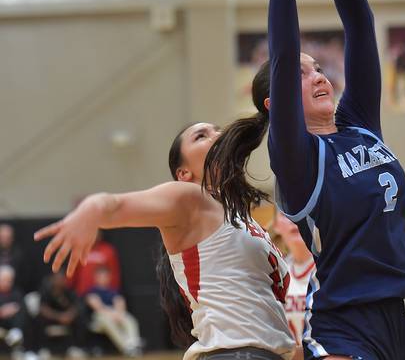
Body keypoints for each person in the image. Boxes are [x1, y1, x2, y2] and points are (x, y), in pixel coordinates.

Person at [205, 0, 405, 360]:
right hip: (346, 324)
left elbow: (359, 22)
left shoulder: (359, 128)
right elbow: (283, 55)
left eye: (318, 68)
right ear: (277, 102)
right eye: (304, 75)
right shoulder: (298, 157)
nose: (318, 75)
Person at [34, 122, 296, 360]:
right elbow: (115, 205)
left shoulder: (242, 218)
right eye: (201, 136)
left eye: (217, 129)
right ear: (184, 174)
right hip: (234, 354)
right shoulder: (190, 198)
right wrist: (91, 209)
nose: (216, 135)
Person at [271, 212, 315, 356]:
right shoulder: (273, 272)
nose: (293, 221)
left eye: (298, 213)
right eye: (285, 215)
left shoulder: (327, 269)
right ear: (276, 225)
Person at [84, 266, 141, 356]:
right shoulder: (91, 291)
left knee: (129, 318)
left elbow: (120, 304)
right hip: (99, 319)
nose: (103, 278)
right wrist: (111, 314)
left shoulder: (114, 291)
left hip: (116, 315)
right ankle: (126, 347)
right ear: (96, 277)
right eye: (101, 276)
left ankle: (133, 343)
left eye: (105, 276)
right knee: (107, 320)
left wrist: (118, 314)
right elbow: (98, 307)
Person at [37, 270, 83, 356]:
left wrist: (70, 315)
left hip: (67, 319)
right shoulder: (46, 291)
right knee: (39, 319)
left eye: (61, 279)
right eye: (57, 279)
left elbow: (76, 306)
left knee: (80, 318)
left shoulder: (69, 291)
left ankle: (74, 347)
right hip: (52, 318)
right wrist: (59, 317)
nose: (59, 281)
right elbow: (43, 309)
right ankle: (43, 348)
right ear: (52, 280)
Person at [0, 265, 27, 356]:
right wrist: (2, 311)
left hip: (13, 323)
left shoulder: (16, 292)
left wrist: (14, 309)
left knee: (22, 311)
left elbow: (22, 308)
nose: (6, 283)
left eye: (9, 281)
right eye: (4, 280)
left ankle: (16, 332)